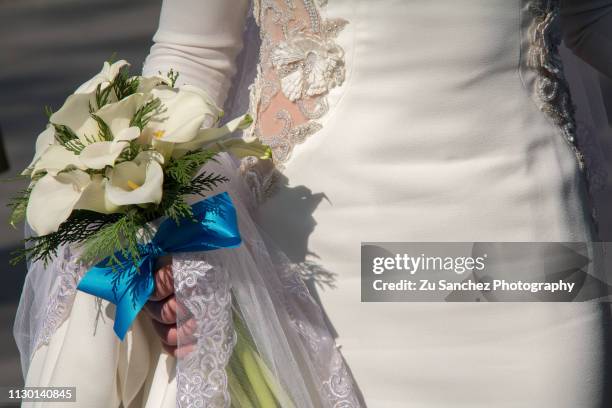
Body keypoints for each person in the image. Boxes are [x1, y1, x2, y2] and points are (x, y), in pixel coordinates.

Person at [15, 0, 612, 407]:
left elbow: (591, 16)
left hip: (531, 259)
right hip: (323, 266)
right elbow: (194, 54)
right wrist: (146, 209)